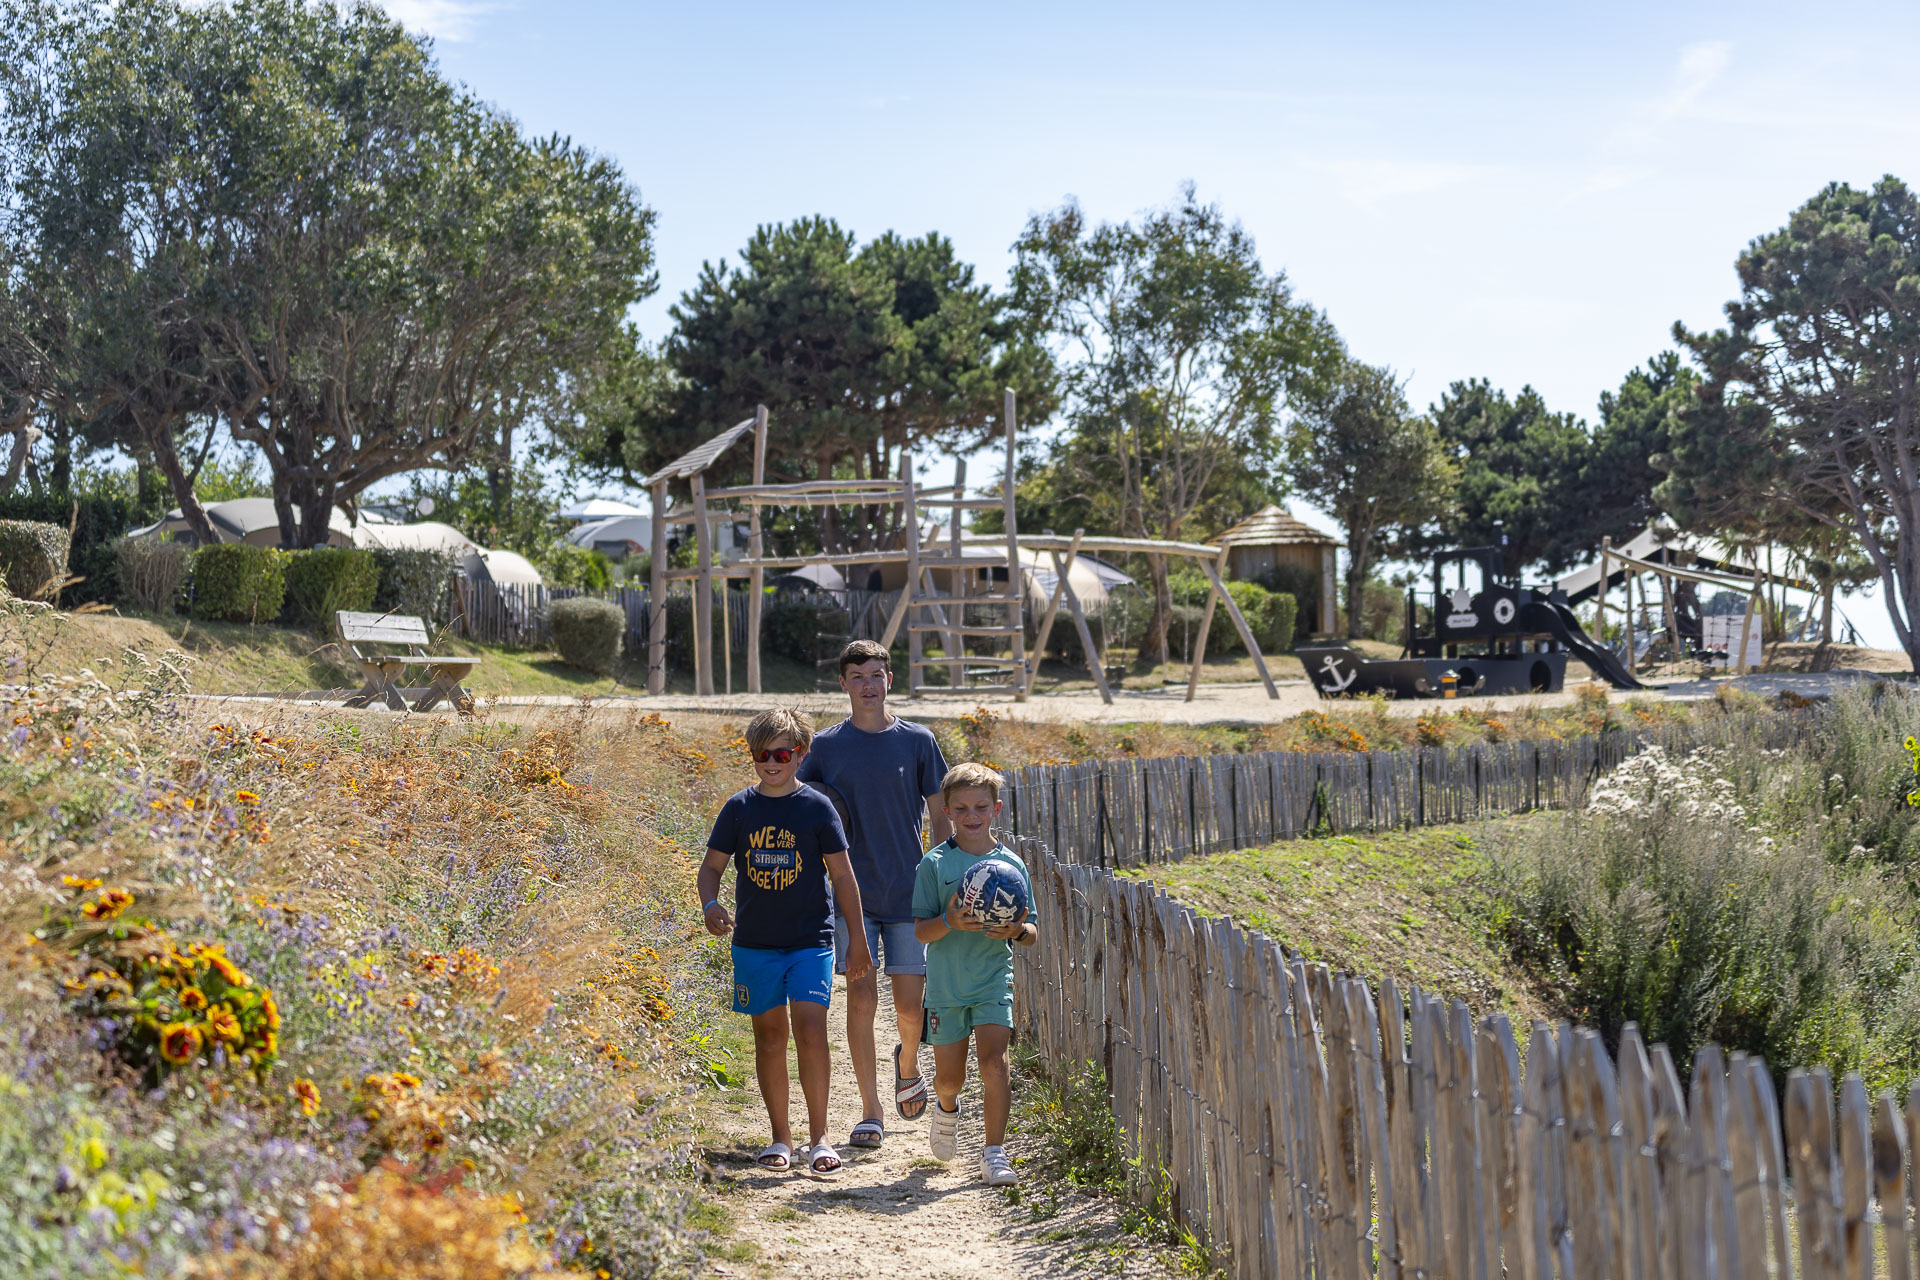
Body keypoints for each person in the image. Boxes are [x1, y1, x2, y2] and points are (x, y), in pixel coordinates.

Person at [698, 707, 872, 1176]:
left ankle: (820, 1139)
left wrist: (857, 939)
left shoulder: (817, 807)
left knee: (812, 1032)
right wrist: (711, 905)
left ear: (801, 753)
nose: (771, 762)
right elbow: (711, 868)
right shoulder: (739, 808)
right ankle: (781, 1137)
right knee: (770, 1038)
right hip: (754, 944)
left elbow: (843, 876)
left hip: (810, 941)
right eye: (761, 754)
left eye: (782, 753)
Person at [796, 639, 950, 1152]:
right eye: (857, 675)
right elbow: (798, 808)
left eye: (876, 674)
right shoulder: (823, 747)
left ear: (890, 680)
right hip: (849, 897)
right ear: (843, 683)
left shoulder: (918, 741)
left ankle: (907, 1062)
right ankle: (871, 1110)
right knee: (860, 999)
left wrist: (946, 871)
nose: (867, 684)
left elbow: (940, 812)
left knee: (910, 1008)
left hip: (910, 892)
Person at [911, 762, 1039, 1186]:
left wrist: (1017, 930)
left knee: (995, 1064)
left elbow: (1032, 931)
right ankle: (946, 1108)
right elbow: (921, 930)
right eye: (962, 807)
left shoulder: (1011, 866)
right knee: (951, 1078)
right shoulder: (934, 864)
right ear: (946, 811)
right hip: (947, 987)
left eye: (981, 806)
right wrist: (949, 921)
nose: (972, 815)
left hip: (991, 980)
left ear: (996, 809)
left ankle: (994, 1153)